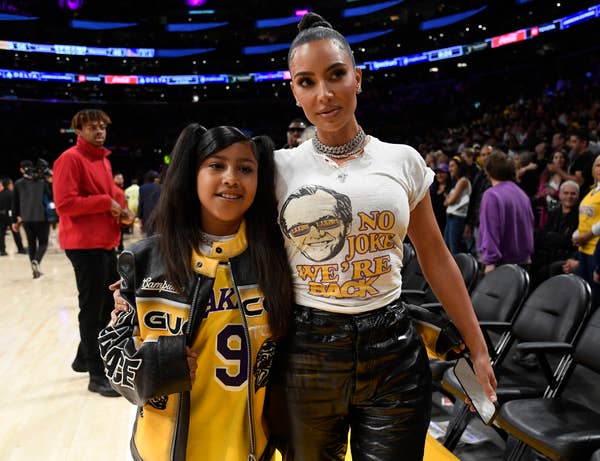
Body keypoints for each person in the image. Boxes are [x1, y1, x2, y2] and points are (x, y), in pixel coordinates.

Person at [272, 13, 496, 460]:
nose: (325, 93)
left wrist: (478, 347)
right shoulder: (277, 167)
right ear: (294, 91)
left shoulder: (404, 161)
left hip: (392, 349)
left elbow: (436, 257)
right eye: (307, 82)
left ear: (358, 78)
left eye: (336, 75)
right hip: (305, 353)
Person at [99, 124, 292, 460]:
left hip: (251, 447)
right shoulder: (143, 260)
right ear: (192, 174)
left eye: (245, 168)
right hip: (164, 449)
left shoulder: (278, 259)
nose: (231, 178)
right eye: (216, 165)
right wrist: (146, 368)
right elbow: (112, 350)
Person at [53, 108, 130, 397]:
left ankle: (82, 358)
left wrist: (123, 210)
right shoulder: (70, 159)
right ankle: (97, 375)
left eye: (102, 127)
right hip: (83, 244)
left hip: (104, 241)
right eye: (92, 127)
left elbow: (112, 193)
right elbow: (65, 203)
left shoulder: (103, 161)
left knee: (106, 303)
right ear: (78, 131)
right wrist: (106, 202)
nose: (99, 131)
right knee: (94, 308)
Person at [478, 151, 535, 274]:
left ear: (487, 171)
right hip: (524, 263)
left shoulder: (491, 195)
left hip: (501, 265)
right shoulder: (521, 193)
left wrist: (490, 261)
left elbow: (491, 229)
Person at [12, 159, 51, 278]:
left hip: (26, 218)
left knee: (31, 244)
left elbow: (15, 203)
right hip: (41, 217)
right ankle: (37, 261)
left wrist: (15, 220)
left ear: (21, 169)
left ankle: (35, 272)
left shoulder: (18, 183)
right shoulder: (41, 182)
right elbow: (49, 196)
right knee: (43, 243)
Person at [571, 154, 600, 308]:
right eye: (598, 165)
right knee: (585, 296)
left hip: (596, 248)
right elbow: (585, 218)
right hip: (584, 248)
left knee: (595, 297)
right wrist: (576, 234)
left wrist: (587, 235)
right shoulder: (592, 191)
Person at [443, 156, 471, 254]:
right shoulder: (455, 182)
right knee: (447, 246)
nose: (450, 169)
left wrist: (450, 200)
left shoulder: (463, 181)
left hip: (457, 218)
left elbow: (449, 201)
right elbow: (446, 202)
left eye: (452, 166)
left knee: (454, 249)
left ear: (459, 167)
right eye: (449, 166)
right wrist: (450, 200)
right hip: (451, 217)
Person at [0, 178, 27, 255]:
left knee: (1, 234)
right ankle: (20, 249)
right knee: (16, 232)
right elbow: (15, 206)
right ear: (9, 185)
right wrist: (17, 216)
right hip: (10, 216)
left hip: (1, 216)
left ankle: (2, 250)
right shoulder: (12, 194)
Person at [137, 170, 161, 236]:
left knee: (149, 235)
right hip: (159, 213)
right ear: (155, 178)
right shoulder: (160, 187)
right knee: (158, 234)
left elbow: (141, 203)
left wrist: (139, 216)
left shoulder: (142, 188)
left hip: (146, 214)